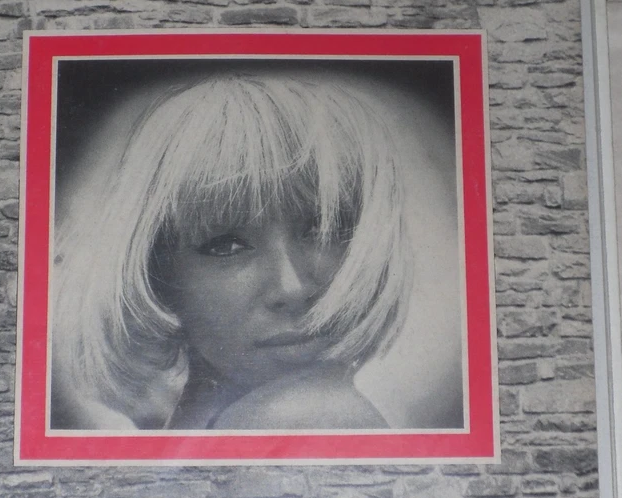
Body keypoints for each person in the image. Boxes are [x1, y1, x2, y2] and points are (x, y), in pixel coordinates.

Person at [51, 64, 411, 431]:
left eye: (324, 228)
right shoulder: (299, 414)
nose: (293, 289)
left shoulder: (297, 413)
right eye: (226, 246)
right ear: (156, 274)